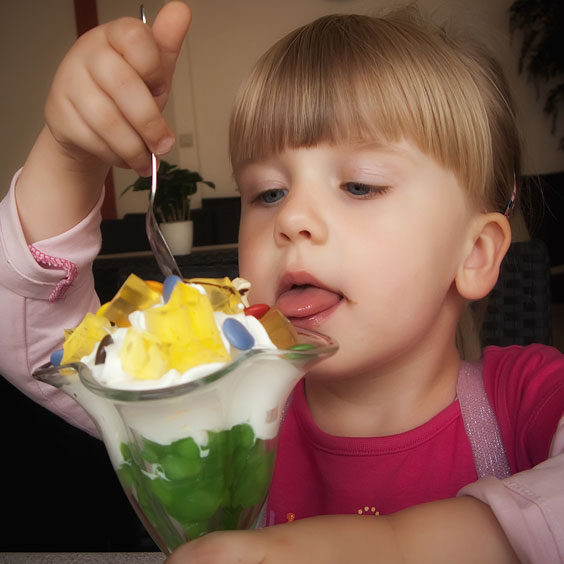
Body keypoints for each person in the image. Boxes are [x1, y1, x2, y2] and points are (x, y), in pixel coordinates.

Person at [0, 3, 562, 563]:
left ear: (475, 252)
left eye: (360, 186)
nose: (292, 218)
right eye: (268, 192)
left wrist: (395, 546)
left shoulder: (527, 400)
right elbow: (46, 346)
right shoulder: (217, 393)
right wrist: (69, 158)